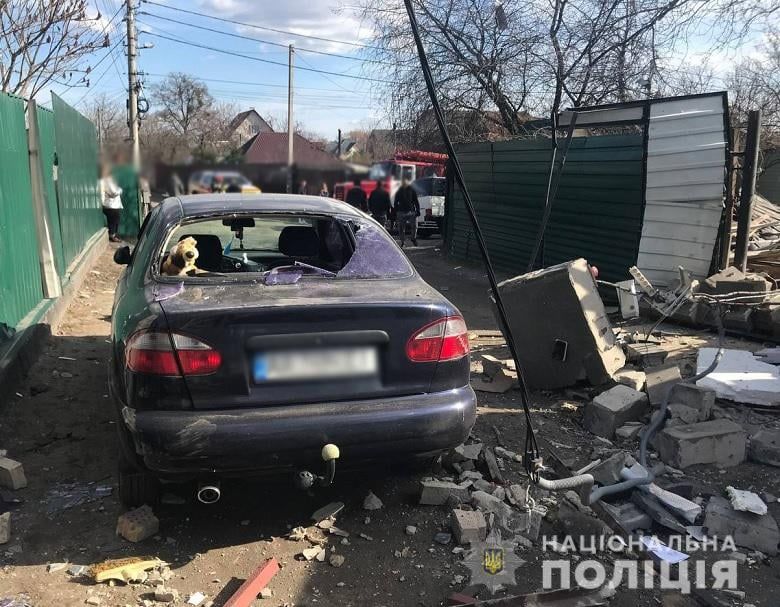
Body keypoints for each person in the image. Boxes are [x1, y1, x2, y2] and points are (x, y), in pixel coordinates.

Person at [393, 177, 420, 247]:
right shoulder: (399, 191)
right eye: (403, 182)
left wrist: (418, 210)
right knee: (401, 228)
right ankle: (403, 242)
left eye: (406, 182)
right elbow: (395, 202)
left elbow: (416, 201)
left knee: (414, 226)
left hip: (411, 211)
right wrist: (396, 211)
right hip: (401, 212)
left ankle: (413, 238)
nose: (404, 183)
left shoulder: (412, 190)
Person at [100, 164, 123, 243]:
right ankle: (112, 235)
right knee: (114, 219)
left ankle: (113, 234)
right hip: (111, 205)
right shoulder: (107, 180)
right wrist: (120, 190)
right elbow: (114, 192)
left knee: (114, 219)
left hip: (110, 204)